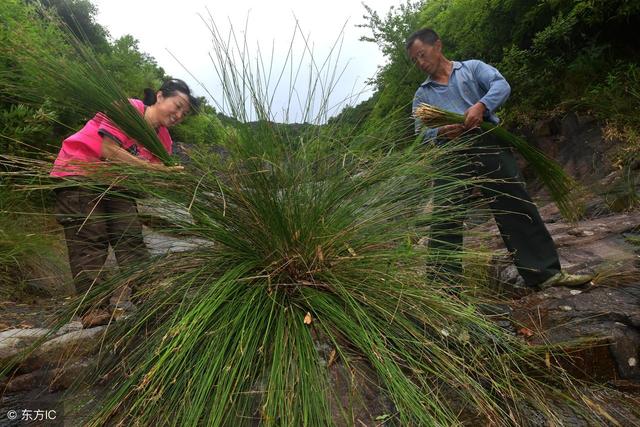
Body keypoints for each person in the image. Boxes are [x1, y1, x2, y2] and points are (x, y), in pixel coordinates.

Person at [406, 28, 591, 292]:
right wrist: (441, 131)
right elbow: (420, 134)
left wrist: (481, 106)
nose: (420, 63)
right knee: (445, 217)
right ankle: (443, 291)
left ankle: (544, 273)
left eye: (422, 55)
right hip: (450, 153)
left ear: (438, 45)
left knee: (515, 204)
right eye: (415, 61)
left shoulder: (471, 69)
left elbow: (501, 85)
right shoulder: (422, 96)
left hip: (487, 141)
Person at [51, 78, 197, 326]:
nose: (179, 114)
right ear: (160, 96)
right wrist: (159, 172)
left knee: (130, 239)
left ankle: (150, 298)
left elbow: (152, 176)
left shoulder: (164, 140)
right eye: (178, 105)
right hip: (80, 174)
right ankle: (93, 310)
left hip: (117, 186)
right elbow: (109, 151)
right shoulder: (128, 109)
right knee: (89, 239)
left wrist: (178, 184)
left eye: (185, 112)